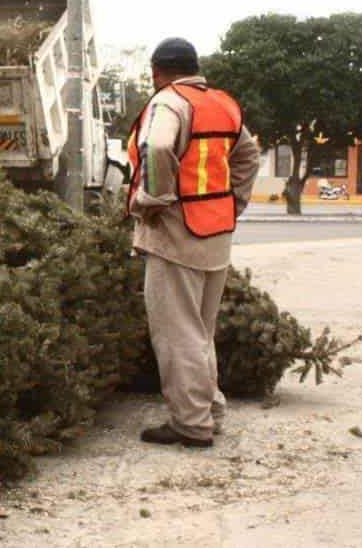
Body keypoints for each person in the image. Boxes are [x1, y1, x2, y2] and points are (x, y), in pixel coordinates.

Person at [126, 37, 261, 448]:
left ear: (156, 72)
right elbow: (249, 155)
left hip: (175, 236)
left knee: (177, 333)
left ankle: (191, 425)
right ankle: (209, 410)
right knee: (200, 330)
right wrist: (231, 202)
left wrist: (153, 198)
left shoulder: (169, 102)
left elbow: (159, 145)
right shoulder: (222, 103)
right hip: (215, 234)